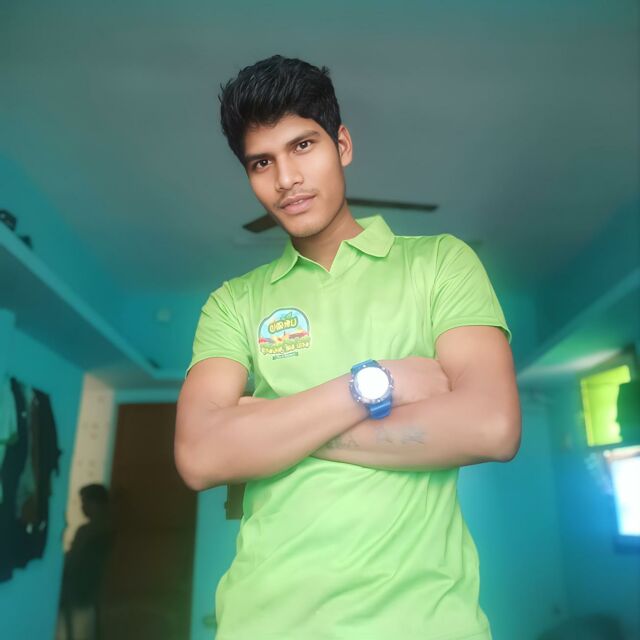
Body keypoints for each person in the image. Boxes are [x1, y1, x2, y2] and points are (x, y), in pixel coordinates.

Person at [175, 54, 521, 640]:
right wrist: (375, 383)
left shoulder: (441, 263)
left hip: (425, 626)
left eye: (303, 146)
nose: (286, 179)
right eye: (262, 162)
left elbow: (491, 427)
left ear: (342, 145)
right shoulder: (233, 303)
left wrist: (273, 429)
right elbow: (200, 456)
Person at [58, 484, 114, 640]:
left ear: (96, 503)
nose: (82, 507)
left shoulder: (87, 531)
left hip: (77, 592)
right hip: (93, 593)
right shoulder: (110, 530)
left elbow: (72, 561)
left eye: (85, 502)